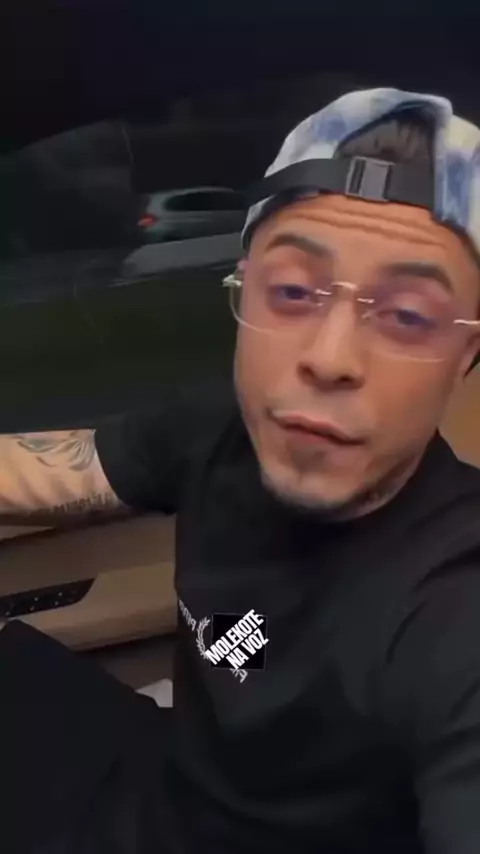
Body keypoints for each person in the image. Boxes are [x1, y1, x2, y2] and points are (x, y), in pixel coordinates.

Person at [1, 87, 480, 854]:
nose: (328, 358)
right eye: (291, 292)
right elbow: (60, 470)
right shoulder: (222, 431)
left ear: (465, 356)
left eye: (407, 316)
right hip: (155, 793)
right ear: (241, 290)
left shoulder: (453, 599)